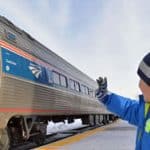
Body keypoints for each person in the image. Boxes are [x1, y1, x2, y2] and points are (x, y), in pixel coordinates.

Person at [95, 53, 150, 150]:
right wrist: (107, 98)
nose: (139, 85)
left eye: (143, 80)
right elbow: (128, 108)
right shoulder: (146, 108)